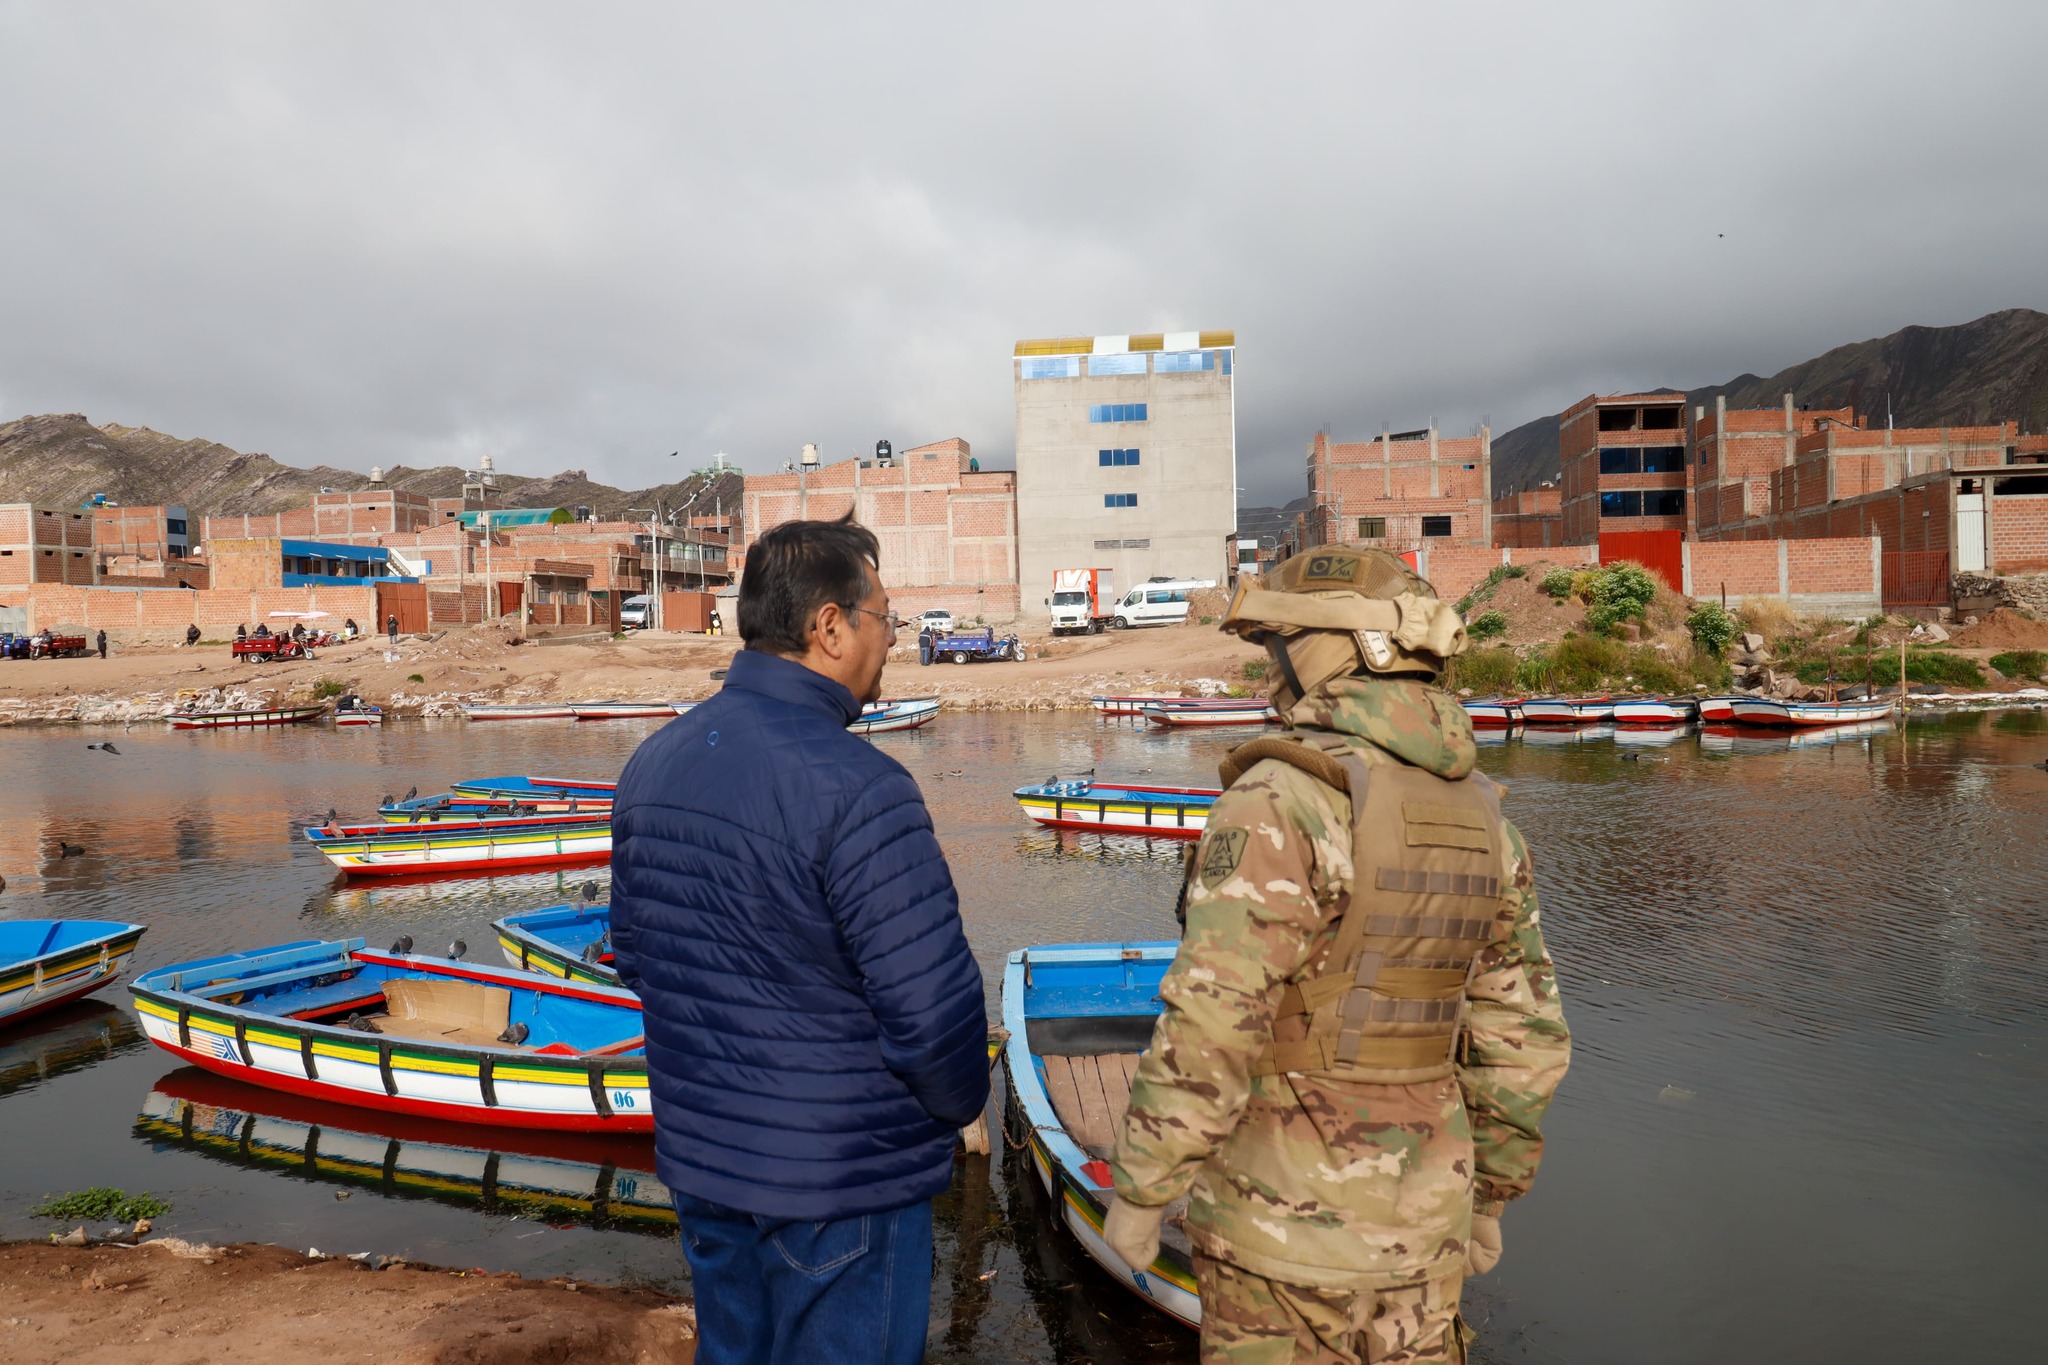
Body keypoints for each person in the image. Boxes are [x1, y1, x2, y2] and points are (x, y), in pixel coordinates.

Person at [1106, 546, 1571, 1365]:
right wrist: (1491, 1192)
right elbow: (1522, 1035)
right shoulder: (1488, 820)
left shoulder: (1279, 800)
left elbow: (1213, 1019)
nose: (1268, 673)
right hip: (1426, 1230)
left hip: (1278, 1232)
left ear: (1328, 649)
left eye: (1277, 647)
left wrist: (1146, 1186)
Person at [609, 514, 988, 1365]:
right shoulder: (863, 789)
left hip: (708, 1166)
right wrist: (954, 1107)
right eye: (883, 616)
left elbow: (635, 954)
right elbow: (933, 1015)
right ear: (830, 627)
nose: (893, 638)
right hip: (843, 1183)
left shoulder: (654, 763)